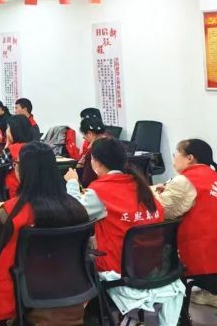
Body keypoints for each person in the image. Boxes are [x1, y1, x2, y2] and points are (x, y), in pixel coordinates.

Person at [64, 138, 183, 325]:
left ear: (96, 162)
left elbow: (74, 213)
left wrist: (72, 183)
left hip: (119, 269)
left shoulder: (100, 190)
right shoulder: (142, 186)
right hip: (154, 268)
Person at [0, 142, 89, 324]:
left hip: (19, 298)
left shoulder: (12, 212)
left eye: (16, 164)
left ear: (22, 171)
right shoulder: (76, 209)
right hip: (68, 292)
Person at [155, 139, 217, 276]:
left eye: (175, 155)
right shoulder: (216, 175)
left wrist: (155, 194)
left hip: (208, 260)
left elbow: (161, 211)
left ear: (189, 158)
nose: (174, 160)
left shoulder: (185, 180)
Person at [0, 115, 35, 198]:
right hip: (35, 192)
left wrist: (7, 144)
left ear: (14, 131)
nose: (6, 131)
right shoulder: (36, 147)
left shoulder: (10, 150)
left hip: (14, 192)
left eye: (8, 128)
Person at [76, 116, 112, 187]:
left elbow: (86, 182)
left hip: (97, 188)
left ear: (89, 133)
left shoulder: (93, 152)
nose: (84, 138)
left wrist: (79, 168)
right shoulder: (115, 145)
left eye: (84, 135)